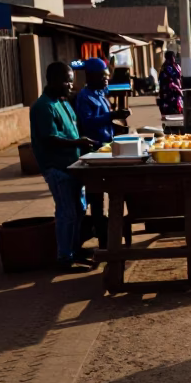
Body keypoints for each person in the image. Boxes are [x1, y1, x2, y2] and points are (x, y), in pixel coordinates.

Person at [30, 61, 97, 271]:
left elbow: (73, 130)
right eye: (67, 82)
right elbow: (50, 138)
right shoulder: (43, 107)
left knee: (79, 210)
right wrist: (78, 143)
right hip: (57, 168)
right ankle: (64, 258)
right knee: (66, 213)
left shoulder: (64, 103)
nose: (70, 86)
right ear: (54, 80)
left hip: (73, 165)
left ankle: (75, 249)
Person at [73, 58, 130, 250]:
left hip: (106, 147)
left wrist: (117, 123)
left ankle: (106, 232)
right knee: (95, 196)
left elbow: (105, 121)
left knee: (110, 191)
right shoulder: (84, 96)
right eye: (103, 77)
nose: (107, 80)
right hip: (92, 150)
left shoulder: (100, 94)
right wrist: (111, 116)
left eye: (107, 77)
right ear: (91, 77)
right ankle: (100, 237)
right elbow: (87, 122)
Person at [157, 50, 184, 115]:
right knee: (170, 110)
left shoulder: (176, 66)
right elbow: (165, 80)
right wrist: (176, 87)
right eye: (172, 57)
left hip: (177, 91)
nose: (174, 58)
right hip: (168, 92)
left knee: (179, 109)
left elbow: (179, 77)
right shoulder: (165, 67)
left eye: (174, 57)